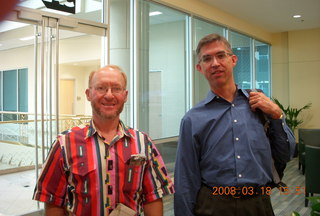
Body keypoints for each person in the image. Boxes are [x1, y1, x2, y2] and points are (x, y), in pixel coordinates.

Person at [174, 34, 295, 216]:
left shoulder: (260, 106)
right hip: (213, 205)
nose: (215, 63)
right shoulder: (192, 119)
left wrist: (277, 115)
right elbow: (185, 178)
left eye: (221, 56)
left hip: (258, 203)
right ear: (200, 68)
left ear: (233, 60)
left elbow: (286, 154)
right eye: (207, 59)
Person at [33, 65, 174, 216]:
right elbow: (53, 200)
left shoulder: (143, 143)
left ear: (125, 95)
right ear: (88, 94)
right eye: (101, 88)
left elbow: (152, 197)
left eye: (116, 89)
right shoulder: (64, 144)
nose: (109, 95)